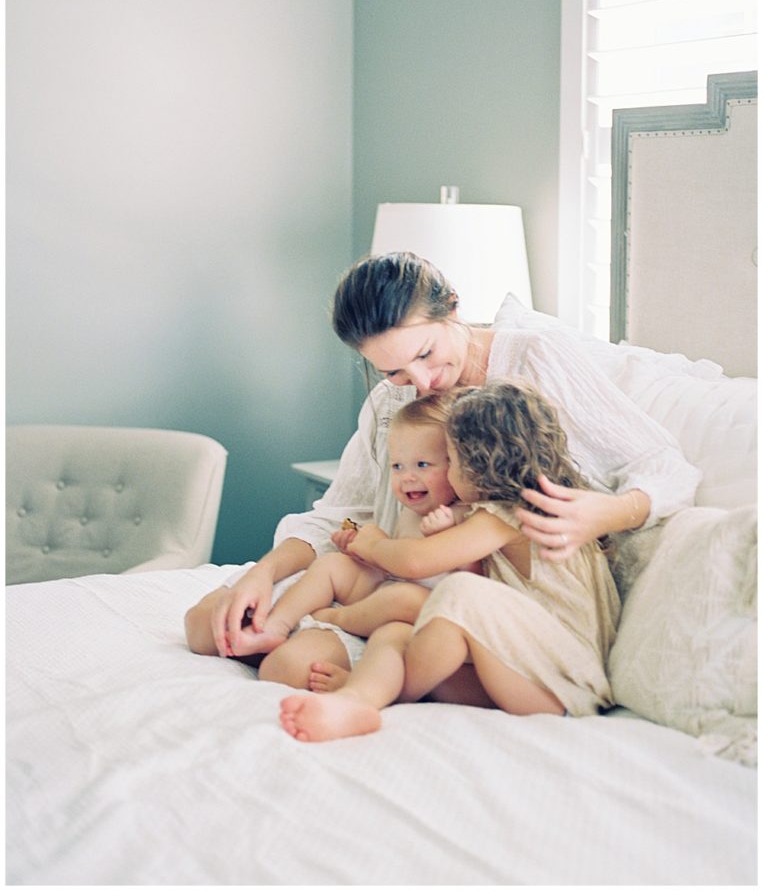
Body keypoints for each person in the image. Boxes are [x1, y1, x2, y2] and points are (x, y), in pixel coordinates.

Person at [184, 251, 700, 693]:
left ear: (452, 306)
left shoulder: (533, 362)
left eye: (426, 353)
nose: (421, 381)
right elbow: (340, 514)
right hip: (386, 580)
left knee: (286, 668)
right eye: (394, 370)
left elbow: (665, 468)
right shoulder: (391, 401)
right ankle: (321, 630)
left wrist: (605, 513)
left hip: (462, 596)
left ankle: (360, 660)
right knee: (206, 624)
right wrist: (263, 572)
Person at [279, 380, 622, 741]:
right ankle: (360, 697)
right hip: (521, 672)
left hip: (560, 685)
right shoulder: (520, 511)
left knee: (459, 595)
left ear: (478, 466)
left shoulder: (515, 514)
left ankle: (381, 692)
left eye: (453, 461)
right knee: (396, 635)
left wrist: (375, 543)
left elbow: (416, 562)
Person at [222, 396, 467, 673]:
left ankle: (339, 619)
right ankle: (275, 627)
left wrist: (446, 534)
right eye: (398, 466)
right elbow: (390, 559)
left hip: (422, 610)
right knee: (332, 565)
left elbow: (474, 579)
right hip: (387, 590)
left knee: (400, 599)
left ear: (457, 463)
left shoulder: (462, 514)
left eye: (423, 464)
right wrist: (360, 549)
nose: (407, 477)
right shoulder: (410, 510)